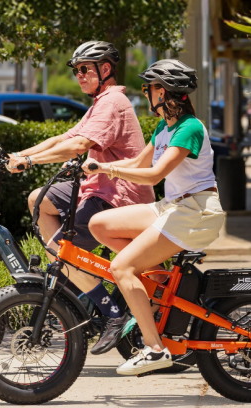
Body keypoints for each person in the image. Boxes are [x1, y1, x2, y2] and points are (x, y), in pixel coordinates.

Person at [5, 41, 155, 355]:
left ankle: (110, 311)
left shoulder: (113, 102)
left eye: (85, 68)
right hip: (98, 190)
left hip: (119, 197)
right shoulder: (100, 103)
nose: (79, 75)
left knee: (63, 255)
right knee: (38, 200)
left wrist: (30, 162)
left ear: (106, 69)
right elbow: (65, 137)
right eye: (76, 71)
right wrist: (18, 155)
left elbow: (80, 144)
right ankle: (76, 280)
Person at [82, 59, 225, 375]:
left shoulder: (189, 128)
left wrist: (108, 168)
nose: (146, 93)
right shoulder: (164, 127)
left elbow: (155, 175)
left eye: (149, 88)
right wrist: (99, 166)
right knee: (99, 224)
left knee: (122, 268)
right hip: (173, 207)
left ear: (165, 92)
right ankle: (160, 289)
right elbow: (139, 161)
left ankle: (155, 348)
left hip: (196, 212)